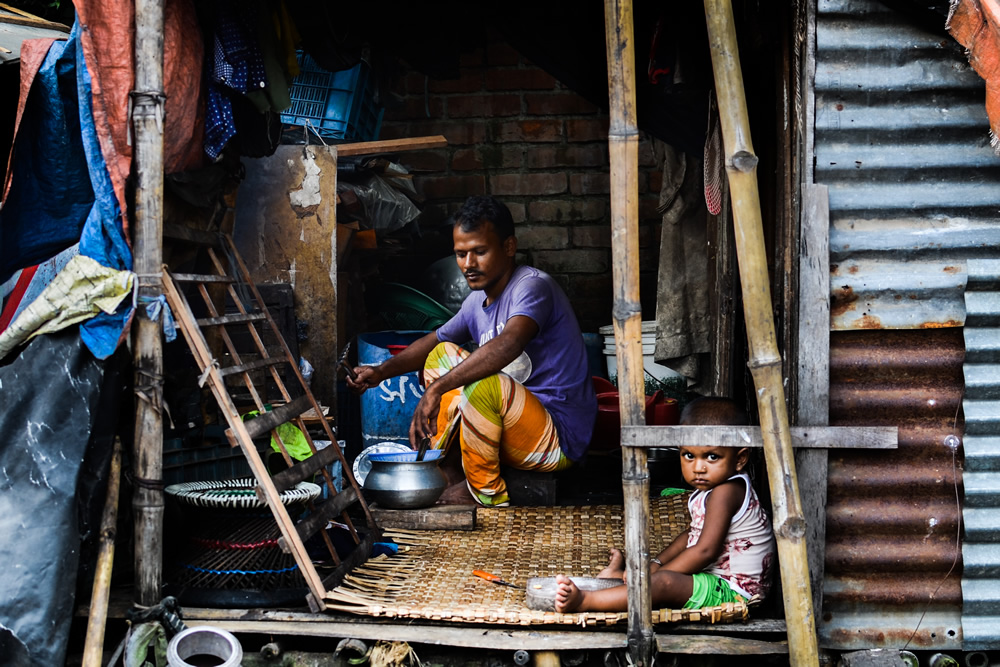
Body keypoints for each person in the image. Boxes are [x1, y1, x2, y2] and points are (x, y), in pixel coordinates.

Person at [347, 195, 597, 507]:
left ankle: (485, 495)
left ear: (508, 247)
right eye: (461, 254)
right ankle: (447, 470)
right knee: (442, 355)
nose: (469, 264)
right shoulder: (476, 303)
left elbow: (509, 344)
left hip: (556, 437)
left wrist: (437, 389)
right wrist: (380, 372)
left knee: (484, 385)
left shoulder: (532, 287)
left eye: (480, 252)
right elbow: (435, 341)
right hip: (508, 429)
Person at [554, 397, 775, 612]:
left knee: (663, 583)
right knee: (654, 575)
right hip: (712, 579)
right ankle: (615, 577)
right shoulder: (710, 489)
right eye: (689, 455)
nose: (698, 467)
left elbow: (705, 551)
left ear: (740, 459)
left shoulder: (727, 491)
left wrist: (656, 575)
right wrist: (657, 562)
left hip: (735, 592)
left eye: (712, 457)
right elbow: (691, 536)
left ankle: (586, 601)